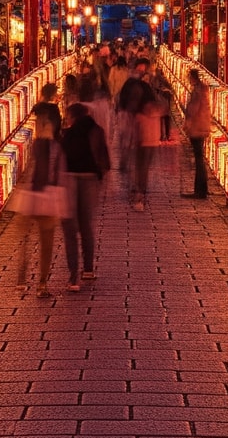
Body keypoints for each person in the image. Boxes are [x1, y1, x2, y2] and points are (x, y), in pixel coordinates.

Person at [15, 84, 67, 297]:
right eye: (39, 122)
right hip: (38, 192)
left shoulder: (42, 145)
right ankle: (27, 278)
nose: (40, 125)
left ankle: (39, 281)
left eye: (43, 122)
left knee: (41, 241)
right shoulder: (46, 144)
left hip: (42, 193)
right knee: (29, 239)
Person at [59, 99, 110, 288]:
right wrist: (101, 176)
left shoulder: (67, 134)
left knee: (70, 229)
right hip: (90, 179)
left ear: (72, 116)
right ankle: (88, 269)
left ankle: (73, 276)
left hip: (69, 179)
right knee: (86, 225)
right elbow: (105, 160)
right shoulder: (97, 130)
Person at [116, 60, 158, 209]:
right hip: (149, 139)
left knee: (138, 165)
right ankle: (140, 192)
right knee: (143, 166)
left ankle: (137, 192)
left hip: (142, 138)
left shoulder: (137, 114)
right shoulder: (151, 108)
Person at [182, 68, 211, 199]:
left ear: (192, 77)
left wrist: (187, 121)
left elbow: (193, 109)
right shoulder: (202, 89)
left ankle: (200, 191)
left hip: (197, 126)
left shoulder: (197, 91)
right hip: (202, 125)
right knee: (200, 158)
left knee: (198, 158)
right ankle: (202, 189)